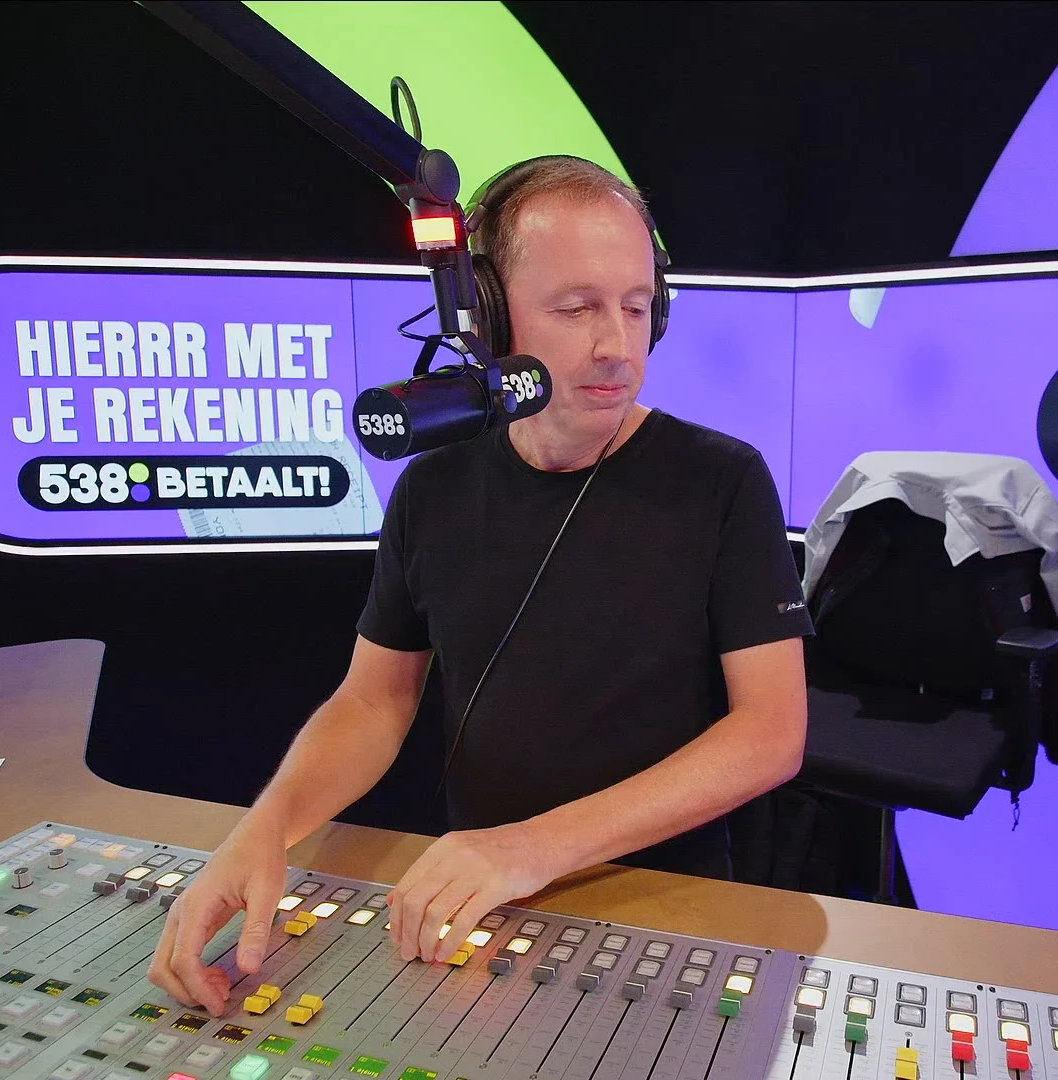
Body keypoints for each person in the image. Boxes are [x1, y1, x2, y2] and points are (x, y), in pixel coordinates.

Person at [148, 157, 812, 1016]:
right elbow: (374, 700)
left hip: (662, 905)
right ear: (488, 316)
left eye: (636, 306)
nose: (617, 345)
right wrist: (266, 829)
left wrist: (533, 847)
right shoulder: (434, 486)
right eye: (575, 308)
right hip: (484, 905)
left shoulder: (722, 480)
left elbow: (771, 732)